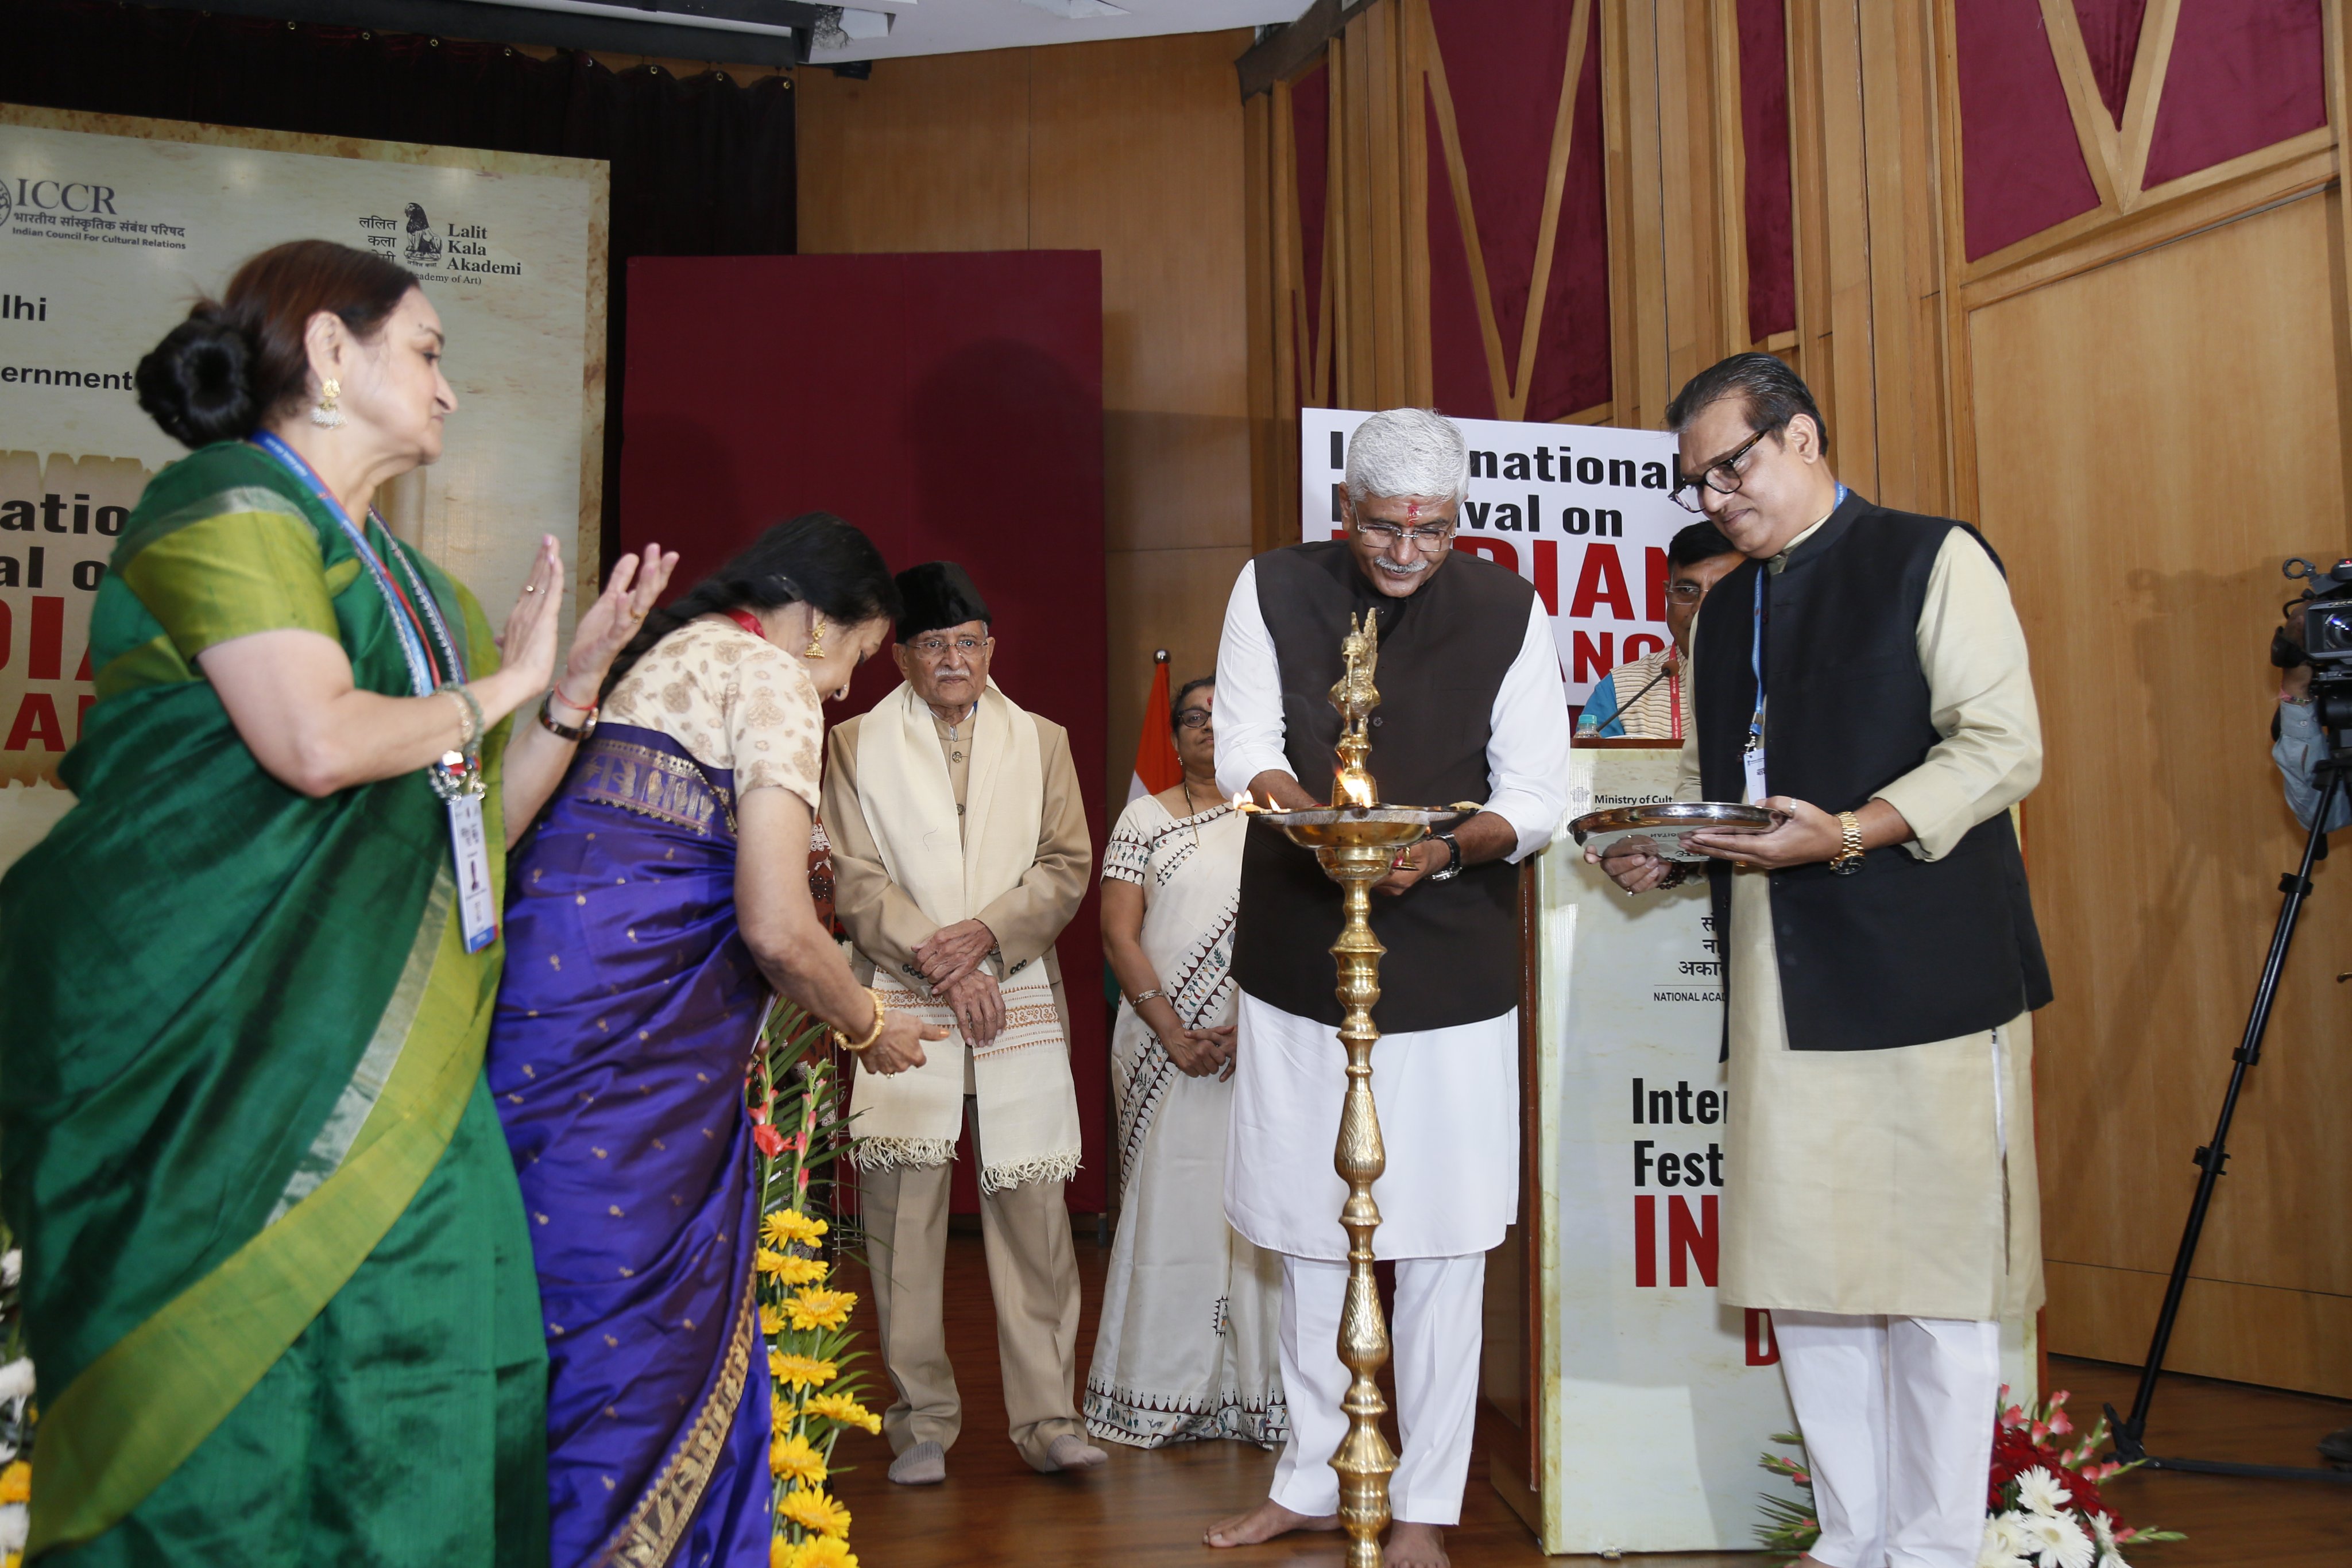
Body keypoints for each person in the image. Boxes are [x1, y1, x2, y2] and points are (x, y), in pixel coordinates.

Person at [0, 239, 674, 1564]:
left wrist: (569, 693)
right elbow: (310, 741)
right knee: (230, 1430)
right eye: (426, 352)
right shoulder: (227, 504)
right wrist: (501, 688)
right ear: (327, 350)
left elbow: (469, 826)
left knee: (438, 1386)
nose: (450, 390)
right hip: (219, 1066)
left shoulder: (428, 596)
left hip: (401, 1081)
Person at [1595, 353, 2049, 1568]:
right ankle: (1851, 1539)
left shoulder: (1931, 556)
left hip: (1927, 977)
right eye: (1695, 483)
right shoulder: (1725, 608)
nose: (1715, 496)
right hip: (1782, 983)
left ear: (1800, 438)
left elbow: (2002, 748)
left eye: (1729, 465)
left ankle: (1938, 1549)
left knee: (1936, 1287)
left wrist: (1847, 830)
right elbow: (1729, 796)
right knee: (1808, 1279)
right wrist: (1673, 852)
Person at [486, 516, 943, 1566]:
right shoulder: (770, 676)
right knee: (628, 1332)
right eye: (858, 659)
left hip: (545, 1031)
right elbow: (778, 926)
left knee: (540, 1311)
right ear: (817, 622)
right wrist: (866, 1023)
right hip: (638, 1072)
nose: (841, 689)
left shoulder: (658, 657)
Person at [1206, 408, 1572, 1568]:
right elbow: (1239, 747)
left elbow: (1537, 793)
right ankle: (1309, 1476)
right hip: (1296, 956)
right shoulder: (1270, 588)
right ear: (1342, 510)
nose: (1408, 550)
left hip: (1451, 965)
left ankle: (1425, 1505)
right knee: (1311, 1232)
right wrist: (1305, 814)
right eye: (1384, 526)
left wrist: (1447, 848)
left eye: (1432, 529)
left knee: (1445, 1241)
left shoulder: (1508, 610)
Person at [820, 563, 1102, 1483]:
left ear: (992, 649)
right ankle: (923, 1421)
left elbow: (1066, 863)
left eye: (968, 642)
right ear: (898, 656)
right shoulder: (855, 743)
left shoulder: (1043, 740)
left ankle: (1050, 1417)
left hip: (1015, 993)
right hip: (902, 1002)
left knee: (1034, 1216)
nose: (953, 659)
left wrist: (986, 944)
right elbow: (855, 881)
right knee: (905, 1218)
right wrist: (939, 959)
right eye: (933, 644)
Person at [1086, 677, 1287, 1452]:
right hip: (1160, 1045)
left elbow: (1302, 934)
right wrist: (1170, 1028)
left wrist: (1254, 1027)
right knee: (1169, 1205)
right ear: (1173, 736)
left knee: (1254, 1210)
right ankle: (1155, 1389)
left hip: (1258, 1046)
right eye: (1194, 718)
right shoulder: (1144, 818)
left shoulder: (1278, 821)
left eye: (1222, 716)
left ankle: (1253, 1394)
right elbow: (1117, 933)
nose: (1207, 728)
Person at [1578, 519, 1742, 739]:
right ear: (1668, 594)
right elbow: (1593, 771)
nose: (1701, 608)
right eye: (1687, 589)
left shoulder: (1785, 678)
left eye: (1722, 591)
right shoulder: (1622, 693)